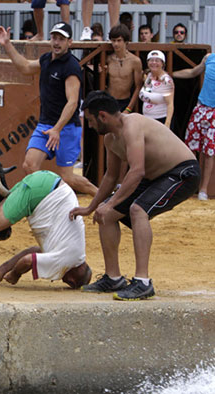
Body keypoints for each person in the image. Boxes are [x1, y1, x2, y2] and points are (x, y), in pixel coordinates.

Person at [70, 91, 200, 301]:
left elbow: (137, 170)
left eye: (91, 121)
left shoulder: (133, 125)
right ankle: (113, 277)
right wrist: (92, 207)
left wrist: (111, 202)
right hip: (155, 177)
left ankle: (143, 282)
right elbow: (111, 176)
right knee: (107, 213)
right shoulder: (110, 140)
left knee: (137, 210)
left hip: (182, 173)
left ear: (103, 116)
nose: (91, 126)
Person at [0, 23, 97, 197]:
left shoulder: (71, 66)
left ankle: (102, 197)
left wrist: (57, 129)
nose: (56, 42)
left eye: (61, 39)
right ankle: (45, 203)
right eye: (54, 38)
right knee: (29, 165)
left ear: (69, 42)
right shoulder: (47, 59)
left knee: (68, 177)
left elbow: (73, 103)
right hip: (45, 125)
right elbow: (25, 67)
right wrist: (7, 45)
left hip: (66, 128)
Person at [173, 52, 215, 201]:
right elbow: (193, 72)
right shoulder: (209, 57)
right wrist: (171, 73)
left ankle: (203, 190)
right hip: (201, 107)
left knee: (209, 150)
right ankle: (191, 186)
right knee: (191, 147)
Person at [106, 24, 142, 114]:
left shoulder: (135, 61)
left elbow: (138, 86)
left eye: (119, 40)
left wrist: (129, 108)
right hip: (110, 101)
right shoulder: (108, 59)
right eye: (113, 41)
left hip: (125, 101)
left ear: (126, 41)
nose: (115, 44)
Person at [139, 50, 174, 128]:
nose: (154, 63)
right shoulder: (148, 76)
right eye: (151, 60)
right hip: (147, 119)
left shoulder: (166, 80)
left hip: (161, 120)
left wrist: (167, 124)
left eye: (157, 61)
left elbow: (170, 104)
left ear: (162, 64)